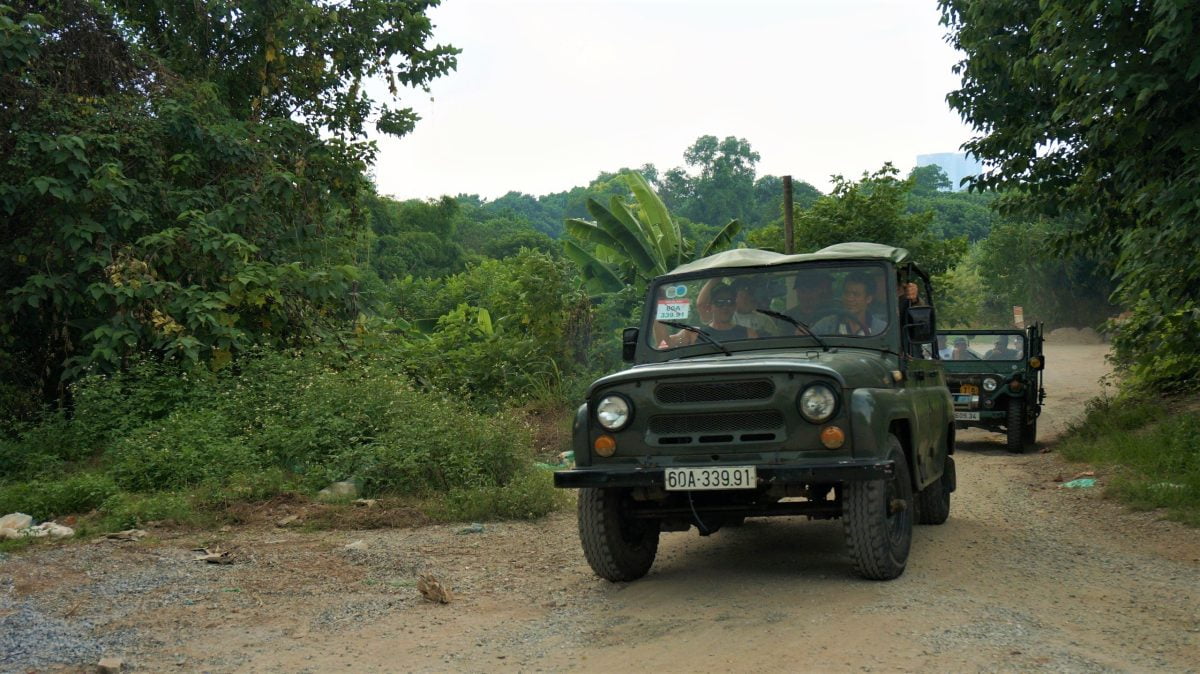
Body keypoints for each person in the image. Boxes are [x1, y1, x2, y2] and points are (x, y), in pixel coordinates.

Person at [667, 283, 757, 347]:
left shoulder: (748, 334)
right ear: (710, 307)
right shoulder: (693, 334)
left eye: (729, 302)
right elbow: (664, 345)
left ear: (735, 306)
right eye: (719, 303)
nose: (725, 307)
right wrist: (657, 310)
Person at [813, 272, 887, 336]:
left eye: (856, 294)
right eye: (846, 293)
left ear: (868, 299)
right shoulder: (826, 325)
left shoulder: (881, 329)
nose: (849, 298)